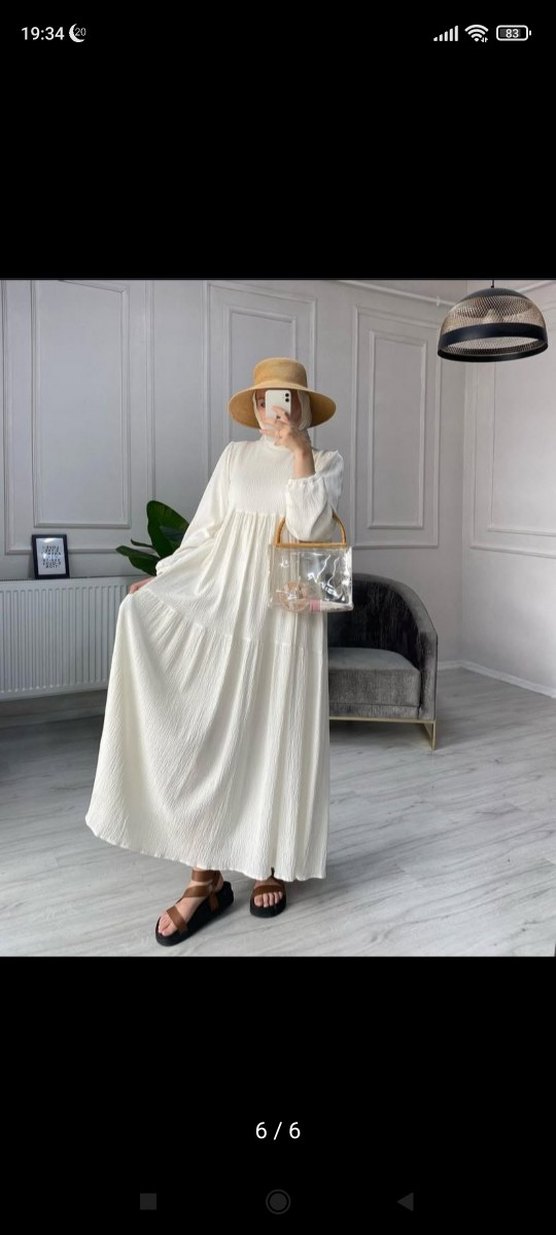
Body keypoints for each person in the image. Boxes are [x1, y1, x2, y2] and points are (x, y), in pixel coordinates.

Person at [84, 357, 343, 946]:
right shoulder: (234, 457)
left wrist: (300, 451)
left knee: (273, 730)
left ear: (303, 405)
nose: (274, 410)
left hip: (286, 616)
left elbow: (309, 532)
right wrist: (165, 578)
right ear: (255, 406)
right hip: (226, 604)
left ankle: (268, 861)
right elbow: (204, 531)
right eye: (265, 399)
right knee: (209, 727)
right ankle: (204, 874)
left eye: (286, 398)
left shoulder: (325, 461)